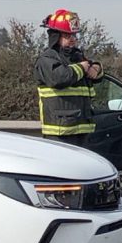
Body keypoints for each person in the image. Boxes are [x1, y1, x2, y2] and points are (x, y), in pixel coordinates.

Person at [33, 9, 103, 146]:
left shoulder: (76, 56)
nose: (72, 39)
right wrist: (83, 67)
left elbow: (93, 76)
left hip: (82, 129)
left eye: (74, 35)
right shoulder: (47, 58)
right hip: (60, 132)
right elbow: (59, 78)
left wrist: (96, 67)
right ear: (56, 36)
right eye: (67, 35)